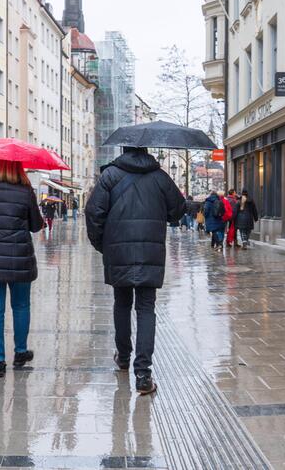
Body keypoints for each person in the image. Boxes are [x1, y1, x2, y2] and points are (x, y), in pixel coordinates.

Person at [86, 147, 185, 395]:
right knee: (145, 308)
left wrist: (103, 244)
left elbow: (93, 212)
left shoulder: (110, 175)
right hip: (150, 251)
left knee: (121, 303)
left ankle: (123, 357)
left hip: (118, 250)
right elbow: (178, 208)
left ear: (124, 149)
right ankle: (143, 374)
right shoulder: (160, 176)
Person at [0, 160, 44, 378]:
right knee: (21, 306)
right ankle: (20, 352)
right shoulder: (25, 192)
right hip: (19, 259)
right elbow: (36, 225)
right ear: (18, 168)